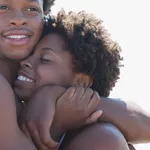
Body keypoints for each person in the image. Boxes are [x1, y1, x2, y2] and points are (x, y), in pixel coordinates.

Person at [0, 0, 149, 149]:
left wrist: (56, 95)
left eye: (44, 59)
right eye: (3, 7)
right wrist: (56, 126)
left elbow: (143, 122)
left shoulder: (99, 136)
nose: (25, 62)